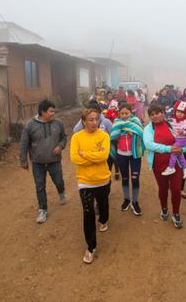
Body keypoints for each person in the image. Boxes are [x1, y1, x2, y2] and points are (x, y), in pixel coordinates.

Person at [70, 108, 111, 264]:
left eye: (96, 119)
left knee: (103, 204)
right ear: (83, 121)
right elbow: (74, 158)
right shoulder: (76, 137)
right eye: (91, 120)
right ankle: (91, 247)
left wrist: (85, 154)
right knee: (88, 213)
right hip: (85, 181)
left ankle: (104, 219)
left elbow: (104, 156)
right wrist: (95, 156)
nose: (94, 122)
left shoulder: (104, 136)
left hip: (102, 179)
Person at [19, 100, 67, 224]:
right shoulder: (30, 125)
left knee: (59, 181)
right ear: (42, 112)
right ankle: (42, 210)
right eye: (51, 111)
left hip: (54, 160)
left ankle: (61, 193)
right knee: (40, 186)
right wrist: (23, 160)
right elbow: (24, 143)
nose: (53, 113)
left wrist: (60, 146)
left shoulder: (58, 123)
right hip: (37, 162)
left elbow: (64, 138)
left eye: (53, 111)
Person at [144, 104, 186, 229]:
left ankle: (176, 213)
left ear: (163, 113)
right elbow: (149, 144)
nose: (155, 116)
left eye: (157, 113)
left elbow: (184, 139)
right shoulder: (148, 129)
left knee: (176, 189)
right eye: (152, 114)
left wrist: (182, 148)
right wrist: (169, 149)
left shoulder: (171, 124)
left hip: (175, 165)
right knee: (162, 188)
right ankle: (164, 208)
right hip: (159, 165)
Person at [110, 103, 145, 215]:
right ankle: (126, 199)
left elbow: (141, 134)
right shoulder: (116, 123)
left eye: (127, 113)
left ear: (131, 112)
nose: (124, 115)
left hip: (135, 155)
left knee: (135, 178)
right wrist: (123, 131)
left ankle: (135, 202)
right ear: (119, 114)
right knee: (125, 178)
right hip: (121, 154)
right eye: (122, 113)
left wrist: (132, 132)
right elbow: (113, 136)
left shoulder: (136, 122)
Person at [162, 100, 186, 178]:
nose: (179, 114)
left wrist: (184, 132)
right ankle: (185, 167)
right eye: (178, 111)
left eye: (182, 112)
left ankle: (171, 167)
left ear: (185, 114)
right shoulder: (174, 120)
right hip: (177, 139)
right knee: (179, 154)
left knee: (174, 151)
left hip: (182, 140)